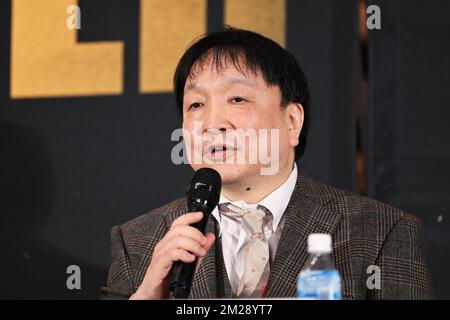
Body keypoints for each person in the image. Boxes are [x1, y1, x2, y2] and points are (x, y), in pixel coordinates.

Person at [100, 27, 432, 299]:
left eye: (237, 99)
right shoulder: (140, 241)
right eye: (196, 104)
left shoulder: (380, 231)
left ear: (291, 122)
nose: (212, 122)